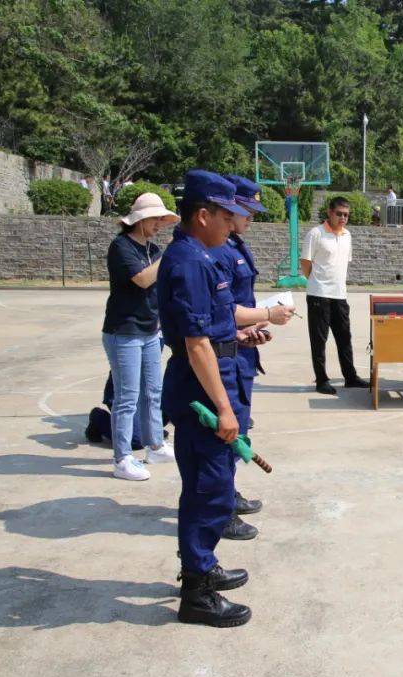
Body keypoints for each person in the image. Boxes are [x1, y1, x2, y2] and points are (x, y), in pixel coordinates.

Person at [157, 170, 266, 627]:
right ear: (203, 215)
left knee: (213, 485)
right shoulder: (189, 262)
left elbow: (213, 330)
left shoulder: (202, 255)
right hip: (205, 390)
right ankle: (197, 592)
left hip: (218, 372)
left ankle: (203, 567)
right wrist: (224, 408)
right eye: (226, 213)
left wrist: (239, 337)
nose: (233, 220)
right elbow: (195, 343)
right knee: (207, 491)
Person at [216, 175, 295, 541]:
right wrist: (267, 315)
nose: (251, 217)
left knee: (239, 428)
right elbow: (225, 309)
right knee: (226, 436)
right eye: (247, 210)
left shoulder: (234, 245)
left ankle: (227, 496)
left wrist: (250, 329)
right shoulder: (217, 252)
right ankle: (221, 508)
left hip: (239, 351)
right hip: (224, 356)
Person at [102, 192, 179, 481]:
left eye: (162, 219)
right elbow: (143, 279)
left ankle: (155, 444)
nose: (159, 224)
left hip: (150, 330)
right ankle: (122, 458)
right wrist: (168, 255)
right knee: (127, 396)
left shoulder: (152, 248)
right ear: (140, 220)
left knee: (152, 391)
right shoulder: (121, 247)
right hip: (124, 331)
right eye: (155, 219)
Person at [301, 196, 369, 394]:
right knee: (319, 340)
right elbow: (306, 264)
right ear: (330, 213)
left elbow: (343, 264)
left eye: (346, 215)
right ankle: (321, 380)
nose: (342, 218)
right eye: (339, 214)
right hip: (319, 296)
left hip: (340, 295)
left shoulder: (347, 235)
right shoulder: (316, 234)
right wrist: (317, 283)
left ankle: (350, 377)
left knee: (344, 338)